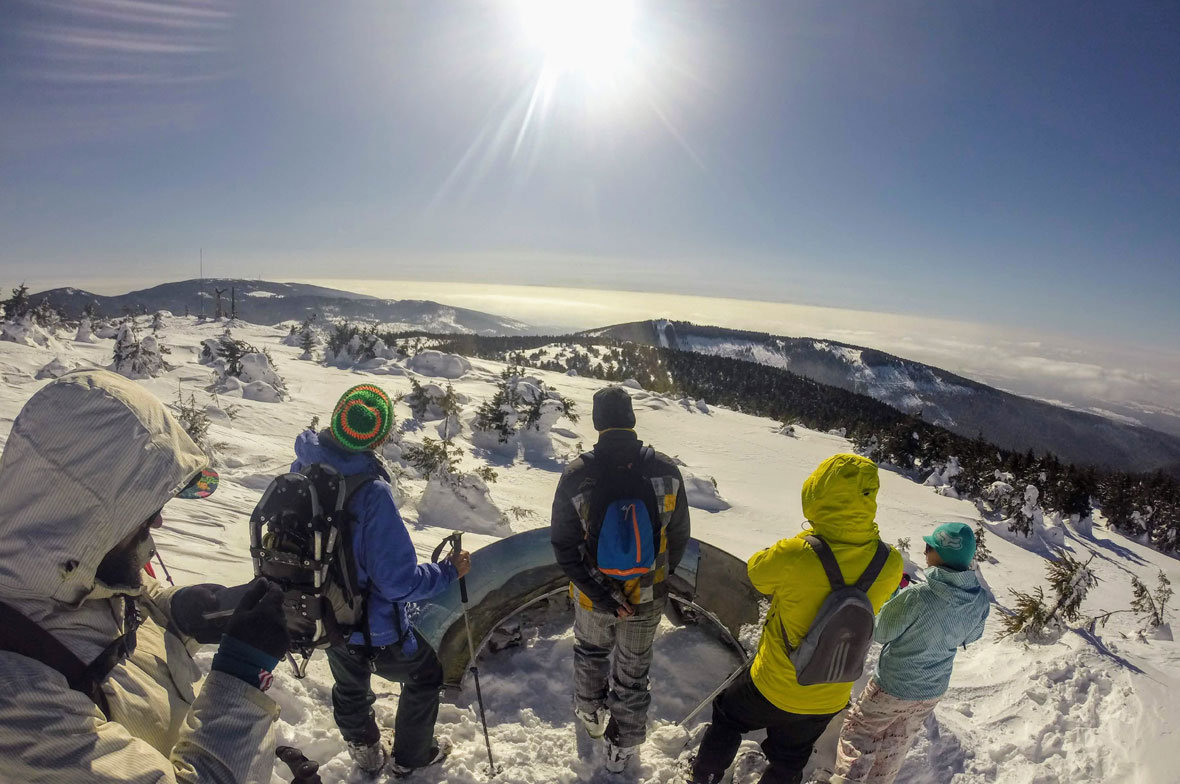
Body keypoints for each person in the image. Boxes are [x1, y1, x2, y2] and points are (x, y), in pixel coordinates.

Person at [0, 369, 289, 783]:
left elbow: (114, 598)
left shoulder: (67, 566)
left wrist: (182, 610)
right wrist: (242, 680)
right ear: (90, 513)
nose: (157, 521)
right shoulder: (18, 708)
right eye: (143, 508)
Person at [689, 454, 904, 784]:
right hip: (830, 692)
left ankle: (704, 776)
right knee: (791, 756)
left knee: (729, 716)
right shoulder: (889, 562)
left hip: (775, 683)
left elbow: (757, 574)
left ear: (817, 493)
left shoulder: (797, 553)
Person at [290, 383, 470, 778]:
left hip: (322, 609)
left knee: (349, 683)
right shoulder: (371, 493)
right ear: (379, 438)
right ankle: (411, 756)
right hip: (373, 626)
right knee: (425, 675)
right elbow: (397, 582)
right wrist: (446, 572)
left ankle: (366, 751)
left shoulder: (303, 467)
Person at [551, 385, 691, 773]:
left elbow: (564, 546)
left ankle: (591, 715)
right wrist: (658, 578)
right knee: (633, 673)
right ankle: (622, 749)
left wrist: (604, 594)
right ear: (631, 419)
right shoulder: (666, 470)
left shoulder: (577, 475)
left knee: (590, 652)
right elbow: (679, 536)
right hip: (647, 595)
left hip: (592, 593)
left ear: (598, 423)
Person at [829, 522, 989, 784]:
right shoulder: (979, 599)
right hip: (930, 692)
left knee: (858, 734)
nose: (925, 553)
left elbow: (881, 632)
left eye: (929, 548)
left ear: (941, 555)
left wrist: (894, 597)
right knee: (894, 745)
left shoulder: (918, 595)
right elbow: (971, 636)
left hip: (892, 685)